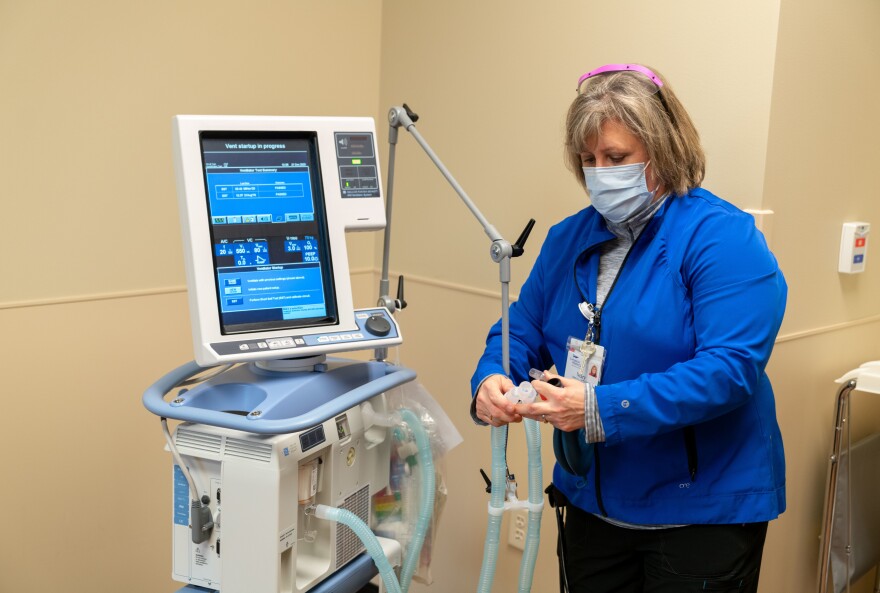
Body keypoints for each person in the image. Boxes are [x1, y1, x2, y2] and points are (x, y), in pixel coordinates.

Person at [469, 64, 786, 592]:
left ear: (662, 150)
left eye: (616, 158)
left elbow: (729, 370)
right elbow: (520, 328)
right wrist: (489, 379)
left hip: (697, 516)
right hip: (592, 504)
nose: (600, 172)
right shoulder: (567, 238)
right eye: (589, 160)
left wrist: (598, 407)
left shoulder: (720, 238)